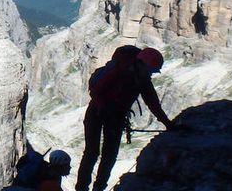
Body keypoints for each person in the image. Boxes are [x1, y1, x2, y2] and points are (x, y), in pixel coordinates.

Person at [75, 45, 176, 191]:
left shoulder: (141, 79)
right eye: (151, 71)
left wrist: (168, 123)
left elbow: (153, 104)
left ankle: (89, 188)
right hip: (104, 113)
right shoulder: (121, 71)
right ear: (142, 64)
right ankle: (89, 188)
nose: (150, 74)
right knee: (101, 153)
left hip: (102, 114)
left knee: (97, 153)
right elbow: (96, 91)